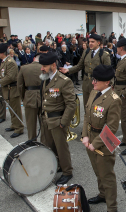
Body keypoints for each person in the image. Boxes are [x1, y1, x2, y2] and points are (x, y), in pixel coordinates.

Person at [82, 64, 121, 212]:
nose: (93, 82)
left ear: (107, 82)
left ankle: (112, 208)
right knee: (98, 170)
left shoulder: (113, 100)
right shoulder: (94, 92)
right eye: (93, 79)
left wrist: (95, 143)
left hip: (105, 140)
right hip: (90, 137)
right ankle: (102, 194)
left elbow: (112, 127)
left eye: (96, 80)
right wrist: (84, 135)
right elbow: (87, 115)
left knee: (107, 175)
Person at [39, 51, 76, 184]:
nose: (42, 68)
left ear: (53, 65)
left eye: (44, 66)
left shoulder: (64, 81)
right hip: (46, 120)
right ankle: (57, 166)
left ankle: (67, 172)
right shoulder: (46, 79)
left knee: (61, 148)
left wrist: (64, 122)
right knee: (49, 146)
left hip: (57, 120)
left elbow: (71, 104)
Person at [59, 33, 111, 107]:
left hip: (98, 84)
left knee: (97, 107)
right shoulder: (86, 52)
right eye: (89, 42)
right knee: (87, 105)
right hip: (86, 83)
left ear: (98, 43)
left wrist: (109, 86)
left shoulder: (104, 55)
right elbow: (79, 66)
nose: (90, 43)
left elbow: (108, 71)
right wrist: (68, 70)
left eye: (93, 42)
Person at [0, 43, 24, 138]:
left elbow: (10, 77)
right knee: (11, 109)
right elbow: (1, 73)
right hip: (7, 90)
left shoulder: (10, 62)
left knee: (15, 110)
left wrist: (1, 82)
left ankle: (19, 128)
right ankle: (14, 124)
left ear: (2, 53)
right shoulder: (4, 61)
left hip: (13, 89)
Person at [17, 53, 42, 140]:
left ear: (34, 58)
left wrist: (24, 97)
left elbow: (20, 85)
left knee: (30, 124)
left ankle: (32, 141)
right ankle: (46, 142)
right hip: (43, 96)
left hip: (29, 96)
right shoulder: (45, 68)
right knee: (45, 123)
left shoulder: (24, 68)